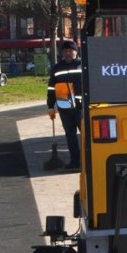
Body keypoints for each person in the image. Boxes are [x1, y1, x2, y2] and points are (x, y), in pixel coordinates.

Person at [46, 40, 82, 170]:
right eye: (65, 51)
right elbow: (51, 88)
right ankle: (75, 160)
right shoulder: (57, 68)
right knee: (70, 135)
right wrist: (50, 106)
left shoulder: (83, 65)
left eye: (70, 50)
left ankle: (89, 159)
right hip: (65, 107)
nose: (67, 53)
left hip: (81, 107)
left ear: (76, 52)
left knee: (86, 135)